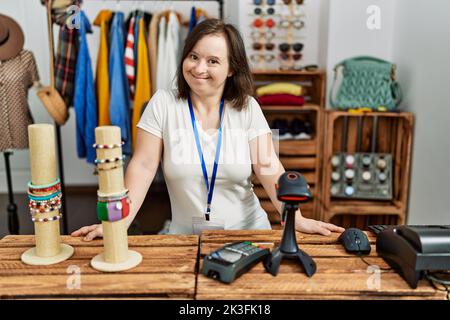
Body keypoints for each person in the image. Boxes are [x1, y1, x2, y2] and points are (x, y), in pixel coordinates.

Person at [72, 19, 344, 241]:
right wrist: (118, 223)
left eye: (213, 61)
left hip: (248, 235)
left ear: (230, 69)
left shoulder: (247, 107)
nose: (199, 68)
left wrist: (294, 217)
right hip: (186, 239)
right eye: (193, 56)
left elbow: (269, 166)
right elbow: (142, 166)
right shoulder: (163, 103)